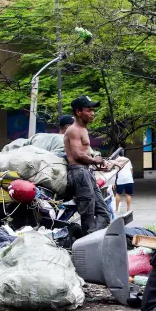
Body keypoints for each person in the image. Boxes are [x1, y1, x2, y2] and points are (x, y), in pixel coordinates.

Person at [64, 96, 113, 235]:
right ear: (79, 112)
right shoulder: (73, 130)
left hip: (86, 172)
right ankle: (84, 247)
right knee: (88, 216)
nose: (92, 113)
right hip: (78, 173)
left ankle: (87, 238)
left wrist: (97, 162)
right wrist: (95, 160)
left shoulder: (83, 129)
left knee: (104, 214)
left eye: (93, 110)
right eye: (89, 110)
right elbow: (77, 155)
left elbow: (84, 155)